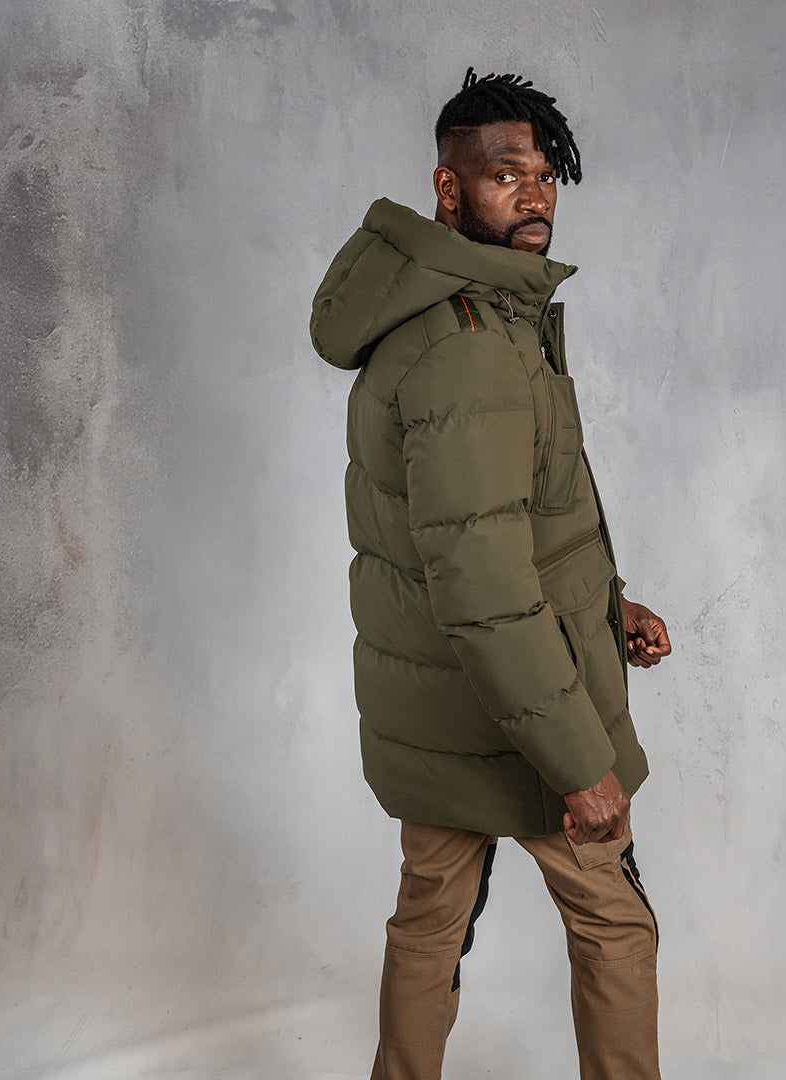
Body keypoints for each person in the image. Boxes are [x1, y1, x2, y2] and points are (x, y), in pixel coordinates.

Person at [310, 68, 672, 1080]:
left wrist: (607, 606)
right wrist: (577, 760)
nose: (536, 195)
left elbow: (504, 525)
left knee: (430, 922)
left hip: (439, 706)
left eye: (545, 175)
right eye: (507, 175)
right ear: (449, 187)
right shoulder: (469, 345)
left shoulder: (473, 315)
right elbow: (483, 583)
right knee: (615, 924)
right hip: (514, 719)